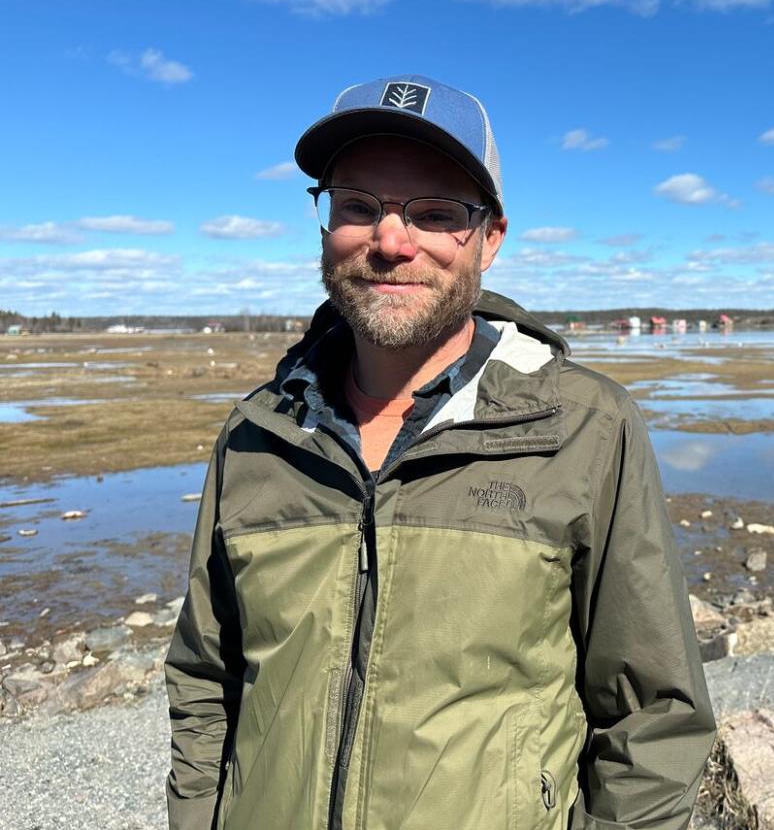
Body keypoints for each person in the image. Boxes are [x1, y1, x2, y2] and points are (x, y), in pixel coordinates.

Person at [164, 74, 716, 830]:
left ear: (490, 239)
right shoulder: (259, 434)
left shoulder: (586, 428)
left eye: (435, 214)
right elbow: (204, 681)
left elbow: (653, 717)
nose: (391, 241)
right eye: (358, 206)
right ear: (325, 223)